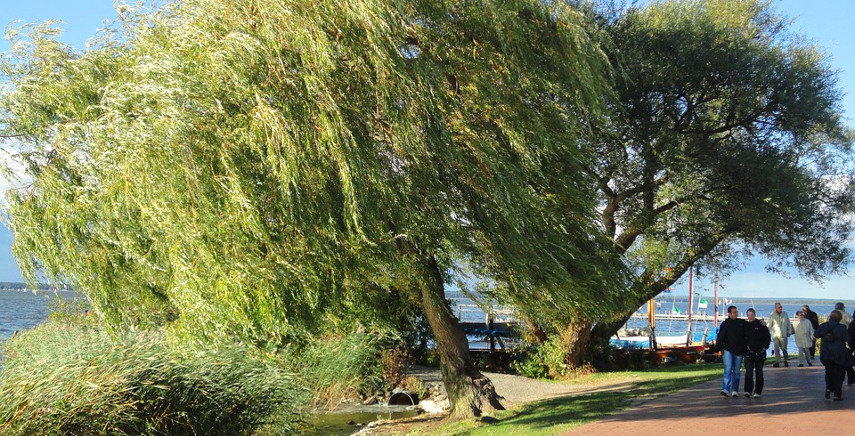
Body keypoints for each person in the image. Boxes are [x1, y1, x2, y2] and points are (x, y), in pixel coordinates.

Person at [815, 310, 850, 400]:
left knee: (829, 372)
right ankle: (837, 394)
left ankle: (828, 388)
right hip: (838, 354)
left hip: (826, 353)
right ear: (839, 318)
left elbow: (816, 334)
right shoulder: (842, 327)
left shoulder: (823, 326)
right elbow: (847, 339)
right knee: (838, 374)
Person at [715, 305, 746, 397]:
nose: (736, 314)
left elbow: (751, 325)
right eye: (734, 312)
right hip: (728, 350)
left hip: (739, 350)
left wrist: (761, 322)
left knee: (736, 371)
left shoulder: (741, 323)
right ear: (729, 313)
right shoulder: (725, 324)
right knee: (727, 370)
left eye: (736, 312)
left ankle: (735, 390)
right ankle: (725, 389)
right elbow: (720, 337)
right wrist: (717, 349)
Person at [743, 308, 771, 397]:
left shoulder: (761, 326)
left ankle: (758, 391)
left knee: (759, 372)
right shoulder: (745, 325)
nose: (750, 317)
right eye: (748, 315)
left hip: (760, 352)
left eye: (752, 315)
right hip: (749, 353)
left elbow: (767, 338)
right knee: (749, 372)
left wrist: (764, 348)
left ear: (755, 315)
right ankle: (747, 390)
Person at [767, 302, 793, 367]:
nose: (780, 308)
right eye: (779, 307)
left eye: (781, 307)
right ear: (776, 308)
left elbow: (788, 323)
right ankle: (778, 361)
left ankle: (785, 360)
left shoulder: (785, 314)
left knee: (784, 349)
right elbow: (769, 324)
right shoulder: (772, 315)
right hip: (775, 335)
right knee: (776, 348)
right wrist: (766, 331)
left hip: (783, 335)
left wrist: (789, 332)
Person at [836, 303, 855, 384]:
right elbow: (852, 324)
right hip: (846, 339)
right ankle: (851, 379)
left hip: (835, 341)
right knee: (847, 360)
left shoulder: (832, 314)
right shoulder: (846, 315)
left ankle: (840, 379)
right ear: (843, 307)